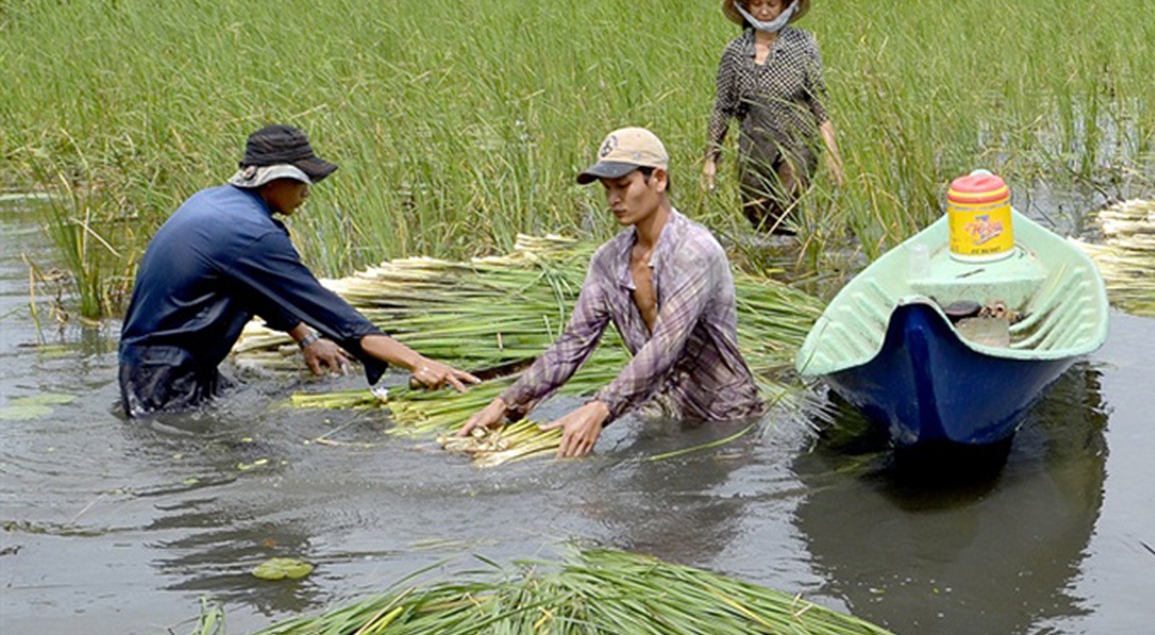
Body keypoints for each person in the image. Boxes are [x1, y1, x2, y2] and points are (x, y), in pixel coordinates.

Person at [117, 124, 478, 416]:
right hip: (163, 375)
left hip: (160, 362)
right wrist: (418, 363)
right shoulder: (251, 234)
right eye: (302, 180)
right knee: (182, 455)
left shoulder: (215, 203)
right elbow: (333, 314)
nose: (307, 191)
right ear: (273, 181)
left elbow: (255, 288)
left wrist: (305, 338)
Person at [458, 127, 764, 457]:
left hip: (725, 422)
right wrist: (507, 402)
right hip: (661, 415)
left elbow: (665, 346)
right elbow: (573, 343)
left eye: (623, 186)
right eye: (607, 189)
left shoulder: (694, 251)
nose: (613, 199)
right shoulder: (608, 260)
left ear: (658, 179)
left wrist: (601, 407)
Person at [702, 0, 845, 234]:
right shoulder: (735, 51)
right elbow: (722, 108)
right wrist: (711, 159)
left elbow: (819, 103)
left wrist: (833, 155)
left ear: (783, 7)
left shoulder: (802, 44)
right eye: (757, 4)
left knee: (785, 207)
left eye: (771, 4)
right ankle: (771, 270)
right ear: (746, 7)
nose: (764, 11)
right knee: (759, 218)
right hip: (755, 145)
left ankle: (794, 267)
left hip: (797, 142)